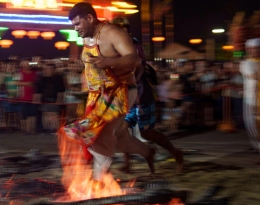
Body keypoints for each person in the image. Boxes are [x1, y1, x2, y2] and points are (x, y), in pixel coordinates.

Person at [58, 2, 155, 184]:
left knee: (99, 134)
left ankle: (98, 182)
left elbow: (135, 60)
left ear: (90, 18)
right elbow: (91, 65)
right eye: (73, 26)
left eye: (78, 24)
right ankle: (148, 153)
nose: (76, 29)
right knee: (119, 138)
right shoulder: (87, 36)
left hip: (120, 92)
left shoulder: (113, 33)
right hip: (97, 95)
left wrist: (109, 62)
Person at [111, 17, 183, 173]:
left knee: (148, 133)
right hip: (126, 96)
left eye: (120, 28)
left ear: (126, 30)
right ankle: (128, 164)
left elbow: (137, 72)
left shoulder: (133, 46)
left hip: (141, 95)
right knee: (121, 131)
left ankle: (176, 153)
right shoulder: (117, 47)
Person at [239, 38, 260, 151]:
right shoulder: (246, 63)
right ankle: (257, 145)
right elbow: (255, 76)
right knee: (251, 123)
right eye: (252, 49)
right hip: (250, 97)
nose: (254, 51)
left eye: (257, 48)